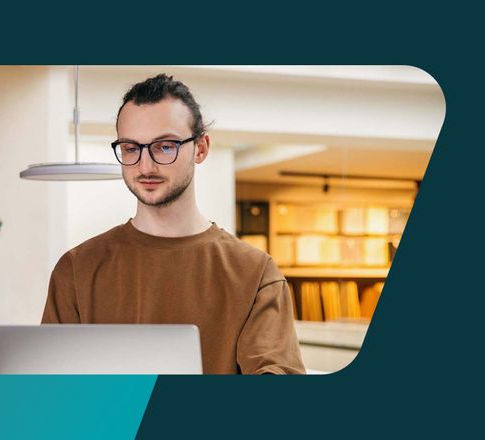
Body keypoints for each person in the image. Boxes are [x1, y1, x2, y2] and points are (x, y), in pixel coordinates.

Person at [41, 74, 305, 374]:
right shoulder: (76, 269)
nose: (145, 166)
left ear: (201, 148)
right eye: (130, 148)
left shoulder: (255, 273)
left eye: (164, 146)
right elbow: (51, 391)